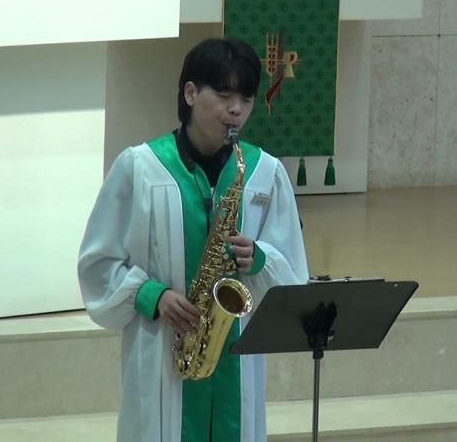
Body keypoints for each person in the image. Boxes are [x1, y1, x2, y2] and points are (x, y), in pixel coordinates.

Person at [78, 37, 309, 442]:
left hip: (235, 356)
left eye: (246, 99)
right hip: (163, 355)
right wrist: (151, 295)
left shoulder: (264, 172)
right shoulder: (140, 167)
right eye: (223, 95)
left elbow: (293, 278)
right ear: (190, 93)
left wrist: (259, 259)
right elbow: (97, 266)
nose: (236, 110)